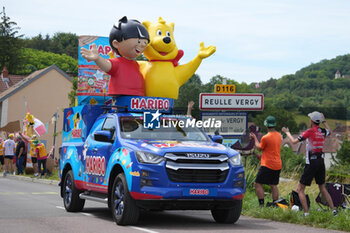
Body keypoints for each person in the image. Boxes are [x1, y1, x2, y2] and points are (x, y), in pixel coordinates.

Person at [282, 111, 337, 216]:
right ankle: (334, 210)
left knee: (301, 189)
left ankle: (306, 214)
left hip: (311, 162)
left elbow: (293, 141)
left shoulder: (310, 131)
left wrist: (287, 132)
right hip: (321, 161)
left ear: (311, 121)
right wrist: (324, 121)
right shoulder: (323, 131)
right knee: (322, 187)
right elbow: (331, 131)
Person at [80, 16, 149, 96]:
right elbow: (107, 66)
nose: (142, 45)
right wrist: (97, 58)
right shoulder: (118, 62)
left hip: (138, 97)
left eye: (145, 42)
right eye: (139, 41)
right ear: (116, 44)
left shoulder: (136, 64)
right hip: (121, 97)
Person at [250, 116, 282, 207]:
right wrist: (261, 156)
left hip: (267, 165)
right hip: (277, 164)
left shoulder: (266, 137)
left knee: (257, 183)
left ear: (267, 125)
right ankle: (275, 204)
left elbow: (259, 148)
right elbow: (271, 150)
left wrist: (255, 138)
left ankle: (261, 205)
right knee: (273, 185)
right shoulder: (279, 135)